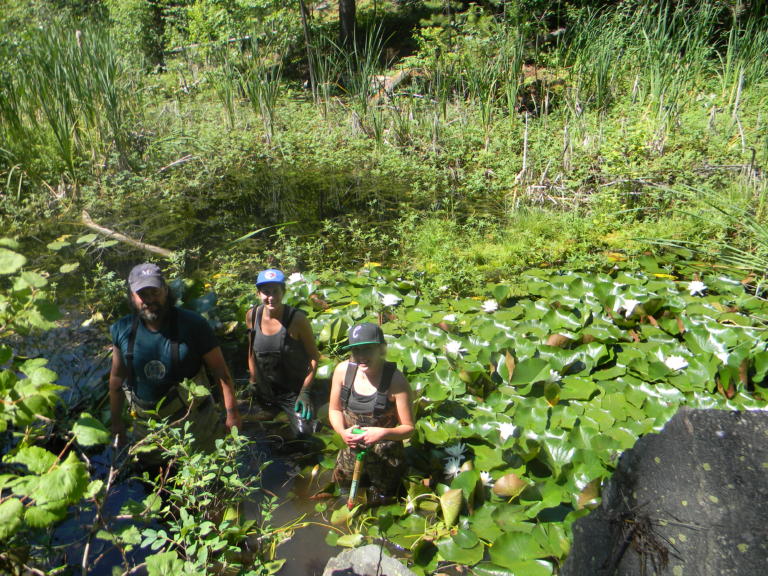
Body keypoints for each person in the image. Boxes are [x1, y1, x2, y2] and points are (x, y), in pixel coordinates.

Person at [109, 263, 241, 460]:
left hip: (196, 422)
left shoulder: (194, 324)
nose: (149, 300)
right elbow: (117, 377)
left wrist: (232, 415)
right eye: (142, 294)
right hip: (147, 427)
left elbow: (221, 373)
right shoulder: (122, 329)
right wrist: (116, 422)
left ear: (166, 290)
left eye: (155, 292)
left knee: (210, 481)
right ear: (131, 296)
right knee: (154, 480)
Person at [329, 323, 414, 501]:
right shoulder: (343, 371)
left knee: (384, 499)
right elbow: (334, 410)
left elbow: (408, 428)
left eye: (367, 349)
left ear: (381, 349)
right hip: (351, 447)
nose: (361, 356)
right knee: (341, 493)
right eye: (356, 350)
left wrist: (382, 433)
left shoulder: (396, 381)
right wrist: (342, 433)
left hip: (386, 453)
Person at [245, 269, 320, 438]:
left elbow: (314, 357)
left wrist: (305, 392)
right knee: (251, 428)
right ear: (258, 293)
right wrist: (252, 380)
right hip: (265, 388)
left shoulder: (297, 320)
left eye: (275, 291)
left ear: (283, 292)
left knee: (304, 434)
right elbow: (251, 349)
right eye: (266, 292)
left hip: (292, 391)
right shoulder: (252, 315)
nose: (271, 297)